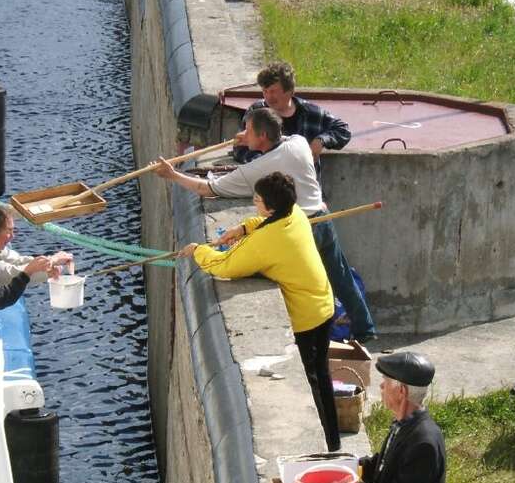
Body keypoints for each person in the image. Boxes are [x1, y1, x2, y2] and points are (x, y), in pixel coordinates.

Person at [152, 107, 378, 342]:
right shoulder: (299, 142)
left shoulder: (256, 170)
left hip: (297, 228)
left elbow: (207, 189)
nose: (242, 134)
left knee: (278, 275)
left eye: (247, 130)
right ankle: (365, 330)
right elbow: (284, 139)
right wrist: (247, 137)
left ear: (261, 136)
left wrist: (172, 175)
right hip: (323, 218)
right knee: (341, 276)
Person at [178, 172, 341, 451]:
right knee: (321, 374)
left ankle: (325, 444)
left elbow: (226, 265)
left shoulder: (267, 241)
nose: (253, 202)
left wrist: (198, 251)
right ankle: (334, 439)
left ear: (269, 206)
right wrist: (243, 228)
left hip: (306, 315)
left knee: (311, 377)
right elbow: (266, 227)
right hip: (323, 303)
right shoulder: (296, 214)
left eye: (256, 199)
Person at [358, 351, 445, 483]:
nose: (381, 386)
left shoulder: (424, 443)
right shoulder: (404, 424)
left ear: (402, 391)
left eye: (386, 381)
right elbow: (384, 463)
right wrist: (349, 467)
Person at [234, 61, 351, 170]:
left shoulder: (311, 113)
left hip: (304, 187)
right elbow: (240, 148)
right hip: (268, 185)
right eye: (265, 91)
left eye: (273, 91)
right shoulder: (256, 112)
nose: (268, 97)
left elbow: (343, 130)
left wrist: (321, 141)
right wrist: (267, 163)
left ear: (289, 90)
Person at [0, 203, 73, 286]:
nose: (12, 236)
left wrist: (49, 266)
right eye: (8, 231)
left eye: (13, 230)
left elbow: (18, 261)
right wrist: (53, 260)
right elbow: (7, 275)